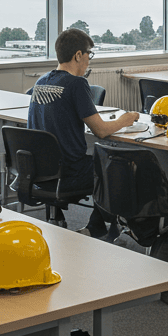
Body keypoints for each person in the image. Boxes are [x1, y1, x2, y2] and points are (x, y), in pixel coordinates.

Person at [28, 28, 138, 240]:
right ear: (78, 55)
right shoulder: (76, 84)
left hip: (40, 169)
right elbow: (101, 131)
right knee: (117, 167)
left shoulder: (40, 82)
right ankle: (100, 226)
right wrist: (125, 119)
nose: (89, 61)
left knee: (103, 163)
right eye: (89, 55)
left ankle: (101, 225)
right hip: (70, 171)